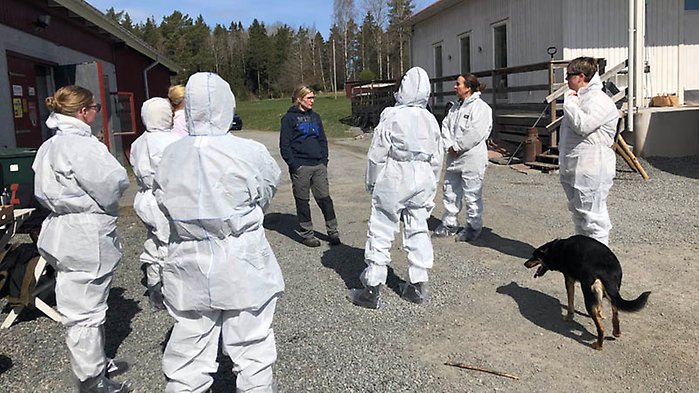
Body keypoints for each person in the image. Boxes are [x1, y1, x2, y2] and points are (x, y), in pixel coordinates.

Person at [154, 72, 284, 393]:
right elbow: (268, 187)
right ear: (227, 105)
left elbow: (160, 201)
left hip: (188, 260)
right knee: (253, 348)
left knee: (188, 355)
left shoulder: (170, 154)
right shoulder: (249, 151)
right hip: (242, 260)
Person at [33, 85, 131, 392]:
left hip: (62, 229)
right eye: (95, 109)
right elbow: (112, 184)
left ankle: (95, 363)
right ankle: (91, 380)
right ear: (84, 112)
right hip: (85, 233)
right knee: (85, 311)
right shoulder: (82, 146)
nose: (96, 114)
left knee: (81, 302)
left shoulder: (49, 146)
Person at [349, 67, 443, 309]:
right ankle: (417, 284)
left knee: (381, 227)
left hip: (396, 174)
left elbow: (377, 153)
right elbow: (437, 157)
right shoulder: (430, 119)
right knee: (418, 228)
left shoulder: (392, 115)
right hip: (422, 177)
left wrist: (372, 181)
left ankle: (372, 288)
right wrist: (431, 185)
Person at [129, 97, 182, 311]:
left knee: (153, 241)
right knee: (170, 243)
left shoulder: (138, 142)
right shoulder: (171, 141)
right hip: (164, 199)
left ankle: (154, 285)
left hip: (144, 198)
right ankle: (170, 291)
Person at [559, 56, 619, 245]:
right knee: (579, 215)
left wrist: (569, 102)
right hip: (575, 165)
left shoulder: (598, 100)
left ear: (581, 76)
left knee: (594, 218)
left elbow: (583, 125)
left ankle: (599, 260)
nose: (567, 80)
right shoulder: (580, 98)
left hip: (592, 166)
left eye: (569, 75)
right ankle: (585, 256)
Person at [433, 73, 492, 242]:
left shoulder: (481, 108)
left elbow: (476, 132)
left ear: (468, 88)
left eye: (458, 84)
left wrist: (457, 146)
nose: (455, 86)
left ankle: (473, 226)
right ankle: (449, 223)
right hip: (454, 158)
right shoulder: (455, 108)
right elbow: (445, 126)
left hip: (472, 159)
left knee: (472, 193)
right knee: (450, 191)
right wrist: (448, 145)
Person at [279, 86, 340, 247]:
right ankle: (307, 234)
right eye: (309, 98)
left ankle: (333, 232)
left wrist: (324, 160)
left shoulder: (315, 117)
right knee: (302, 201)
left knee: (325, 200)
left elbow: (322, 140)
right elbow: (284, 145)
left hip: (318, 165)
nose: (312, 101)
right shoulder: (289, 119)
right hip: (301, 167)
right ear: (299, 99)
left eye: (313, 98)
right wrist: (294, 164)